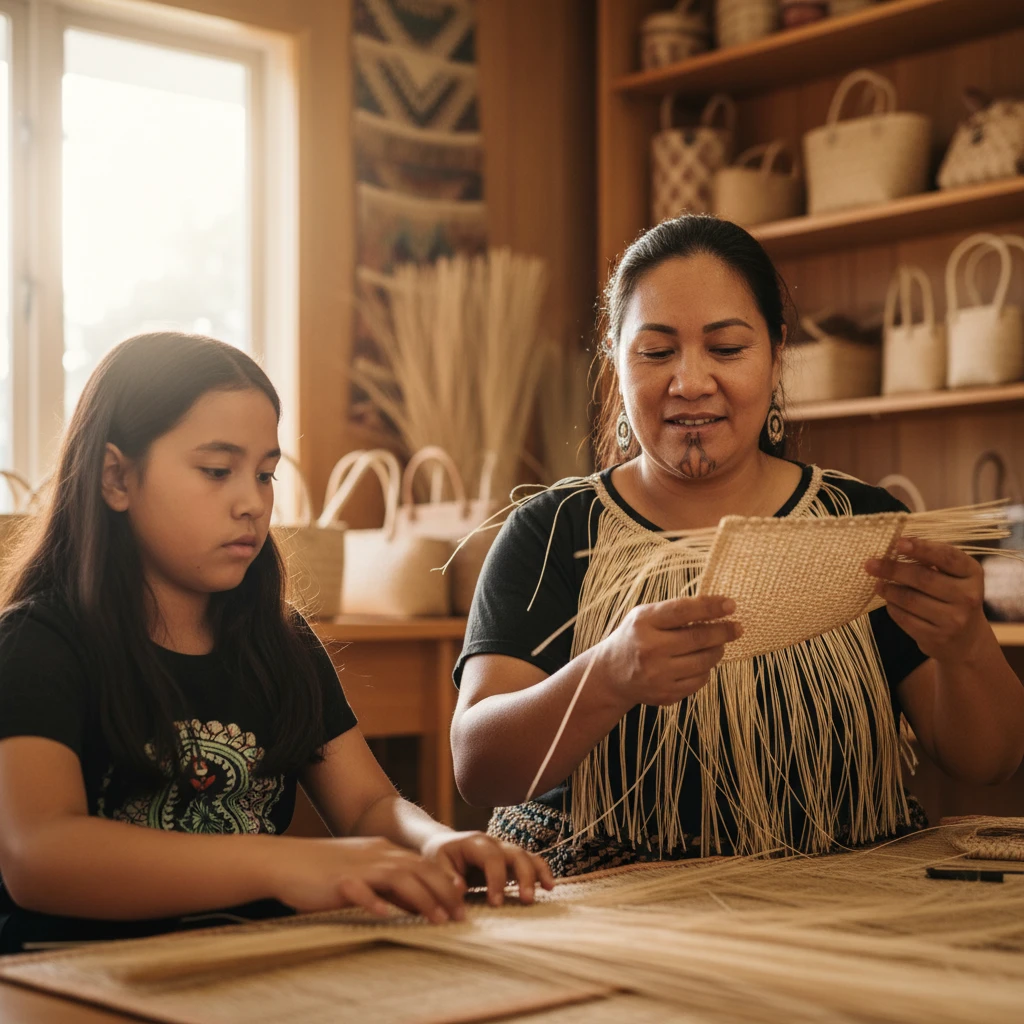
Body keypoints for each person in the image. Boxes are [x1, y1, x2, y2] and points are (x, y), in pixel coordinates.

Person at [451, 215, 1024, 877]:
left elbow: (991, 762)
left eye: (726, 349)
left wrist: (966, 646)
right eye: (657, 352)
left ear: (778, 355)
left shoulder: (862, 525)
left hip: (845, 900)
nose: (690, 382)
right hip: (608, 903)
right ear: (614, 356)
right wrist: (606, 676)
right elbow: (479, 768)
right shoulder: (552, 532)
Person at [0, 332, 552, 952]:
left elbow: (369, 805)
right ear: (116, 477)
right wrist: (289, 865)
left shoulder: (278, 641)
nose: (252, 503)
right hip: (75, 975)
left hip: (250, 965)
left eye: (265, 474)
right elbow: (39, 854)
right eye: (217, 471)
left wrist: (435, 842)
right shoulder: (38, 644)